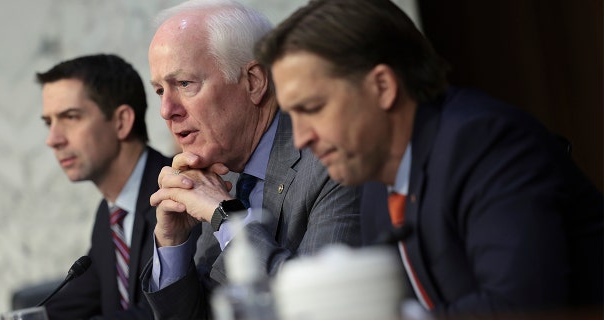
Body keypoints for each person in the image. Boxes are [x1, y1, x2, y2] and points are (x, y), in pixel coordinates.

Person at [255, 0, 604, 317]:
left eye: (313, 108)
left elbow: (521, 307)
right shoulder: (376, 182)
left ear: (382, 87)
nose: (301, 137)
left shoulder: (484, 145)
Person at [139, 0, 362, 318]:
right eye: (160, 90)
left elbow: (322, 307)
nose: (166, 111)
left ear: (254, 81)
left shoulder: (330, 161)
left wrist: (228, 219)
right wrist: (172, 243)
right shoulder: (211, 179)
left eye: (185, 84)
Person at [37, 54, 172, 319]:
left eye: (70, 117)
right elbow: (74, 303)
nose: (52, 139)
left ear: (121, 121)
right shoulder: (109, 214)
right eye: (48, 123)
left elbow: (163, 312)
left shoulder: (177, 191)